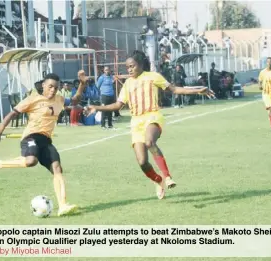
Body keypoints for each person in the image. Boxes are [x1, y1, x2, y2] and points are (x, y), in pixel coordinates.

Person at [84, 50, 214, 199]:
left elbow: (174, 89)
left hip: (152, 116)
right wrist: (97, 107)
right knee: (142, 162)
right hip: (136, 122)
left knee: (150, 141)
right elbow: (117, 105)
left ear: (140, 65)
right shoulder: (127, 83)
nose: (130, 69)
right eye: (127, 67)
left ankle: (167, 176)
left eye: (132, 66)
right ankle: (158, 180)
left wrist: (197, 90)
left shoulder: (153, 77)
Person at [0, 73, 84, 217]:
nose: (53, 90)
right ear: (43, 85)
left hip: (46, 140)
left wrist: (82, 84)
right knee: (31, 161)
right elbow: (12, 114)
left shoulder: (59, 99)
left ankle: (62, 205)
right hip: (31, 137)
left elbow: (75, 100)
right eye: (50, 87)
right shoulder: (33, 99)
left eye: (56, 88)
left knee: (57, 168)